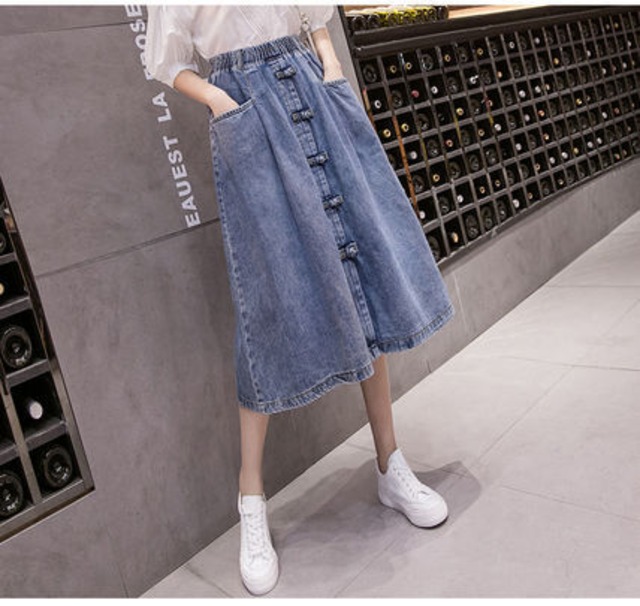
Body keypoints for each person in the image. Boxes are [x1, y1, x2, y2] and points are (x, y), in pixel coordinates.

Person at [144, 4, 455, 596]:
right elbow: (166, 63)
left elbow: (314, 14)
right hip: (246, 110)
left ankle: (390, 464)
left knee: (361, 266)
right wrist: (218, 98)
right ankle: (251, 499)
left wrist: (331, 63)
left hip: (312, 84)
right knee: (265, 301)